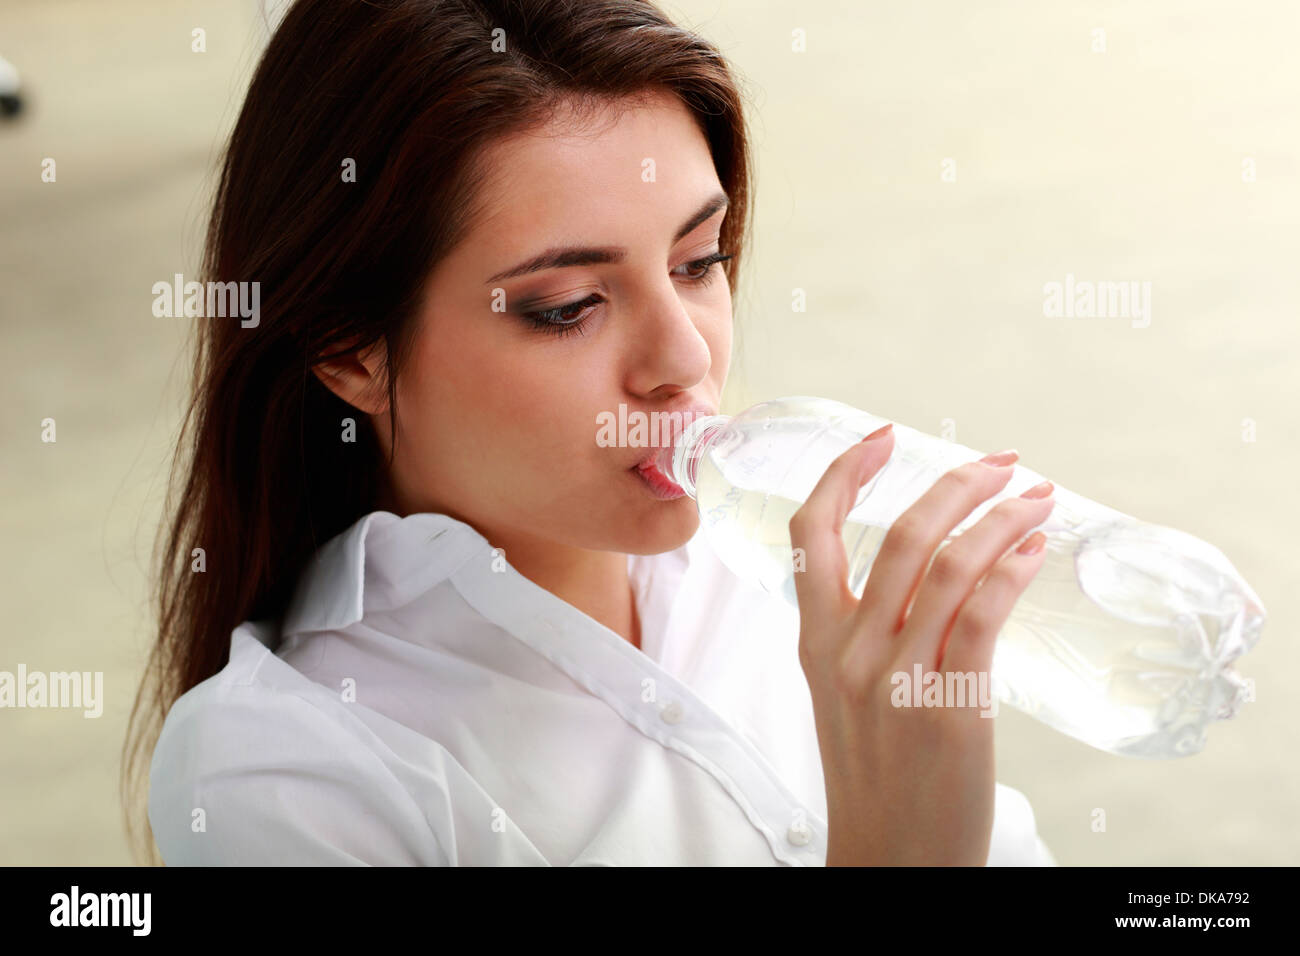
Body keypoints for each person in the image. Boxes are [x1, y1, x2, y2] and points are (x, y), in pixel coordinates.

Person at [125, 0, 1058, 866]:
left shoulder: (795, 574)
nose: (685, 358)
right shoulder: (284, 774)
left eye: (701, 260)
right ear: (348, 350)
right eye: (570, 308)